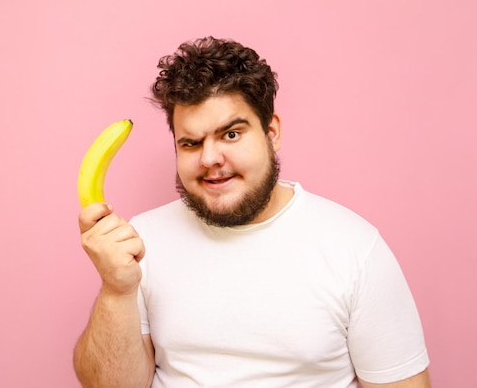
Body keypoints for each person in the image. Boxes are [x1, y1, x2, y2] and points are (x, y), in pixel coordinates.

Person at [73, 36, 430, 387]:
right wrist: (116, 290)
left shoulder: (355, 249)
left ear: (271, 133)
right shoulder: (143, 240)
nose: (209, 159)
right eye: (191, 143)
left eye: (231, 134)